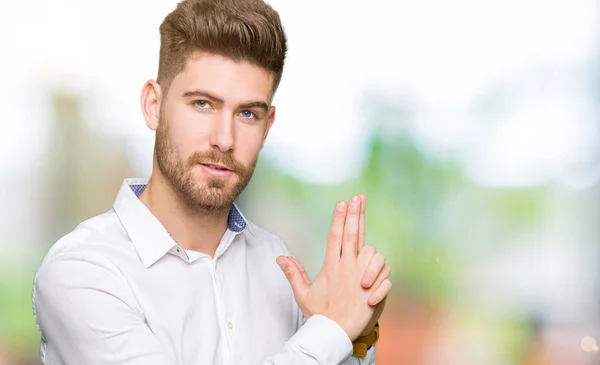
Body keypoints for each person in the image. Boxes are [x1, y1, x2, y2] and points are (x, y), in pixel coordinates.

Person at [32, 0, 393, 364]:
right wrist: (331, 330)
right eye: (203, 104)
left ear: (267, 128)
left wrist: (355, 335)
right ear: (153, 105)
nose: (225, 138)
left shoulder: (275, 262)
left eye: (248, 113)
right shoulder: (81, 271)